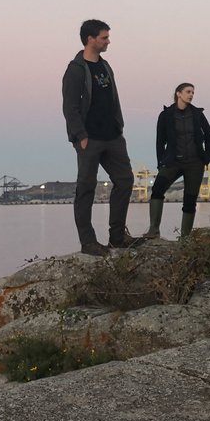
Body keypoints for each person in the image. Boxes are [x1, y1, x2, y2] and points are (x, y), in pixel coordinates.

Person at [61, 19, 139, 256]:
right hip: (89, 139)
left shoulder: (105, 67)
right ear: (90, 39)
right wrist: (81, 136)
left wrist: (119, 126)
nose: (108, 41)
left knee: (125, 180)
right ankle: (88, 242)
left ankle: (117, 237)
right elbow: (70, 107)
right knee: (86, 188)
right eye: (104, 37)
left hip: (113, 137)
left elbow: (112, 99)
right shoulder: (75, 70)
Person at [145, 83, 210, 241]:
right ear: (178, 94)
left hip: (195, 163)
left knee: (190, 200)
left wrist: (206, 158)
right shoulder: (166, 115)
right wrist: (161, 162)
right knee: (157, 190)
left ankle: (185, 237)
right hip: (173, 162)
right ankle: (154, 229)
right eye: (188, 92)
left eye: (193, 92)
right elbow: (159, 141)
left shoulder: (197, 114)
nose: (191, 95)